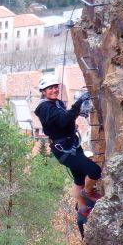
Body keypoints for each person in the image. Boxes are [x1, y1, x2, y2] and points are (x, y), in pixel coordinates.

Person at [34, 74, 103, 216]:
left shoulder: (56, 103)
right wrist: (78, 104)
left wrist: (76, 117)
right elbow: (64, 119)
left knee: (79, 179)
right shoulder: (45, 108)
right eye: (50, 88)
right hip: (65, 150)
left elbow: (64, 120)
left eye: (55, 87)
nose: (54, 90)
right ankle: (87, 192)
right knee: (95, 171)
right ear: (43, 91)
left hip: (70, 145)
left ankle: (83, 208)